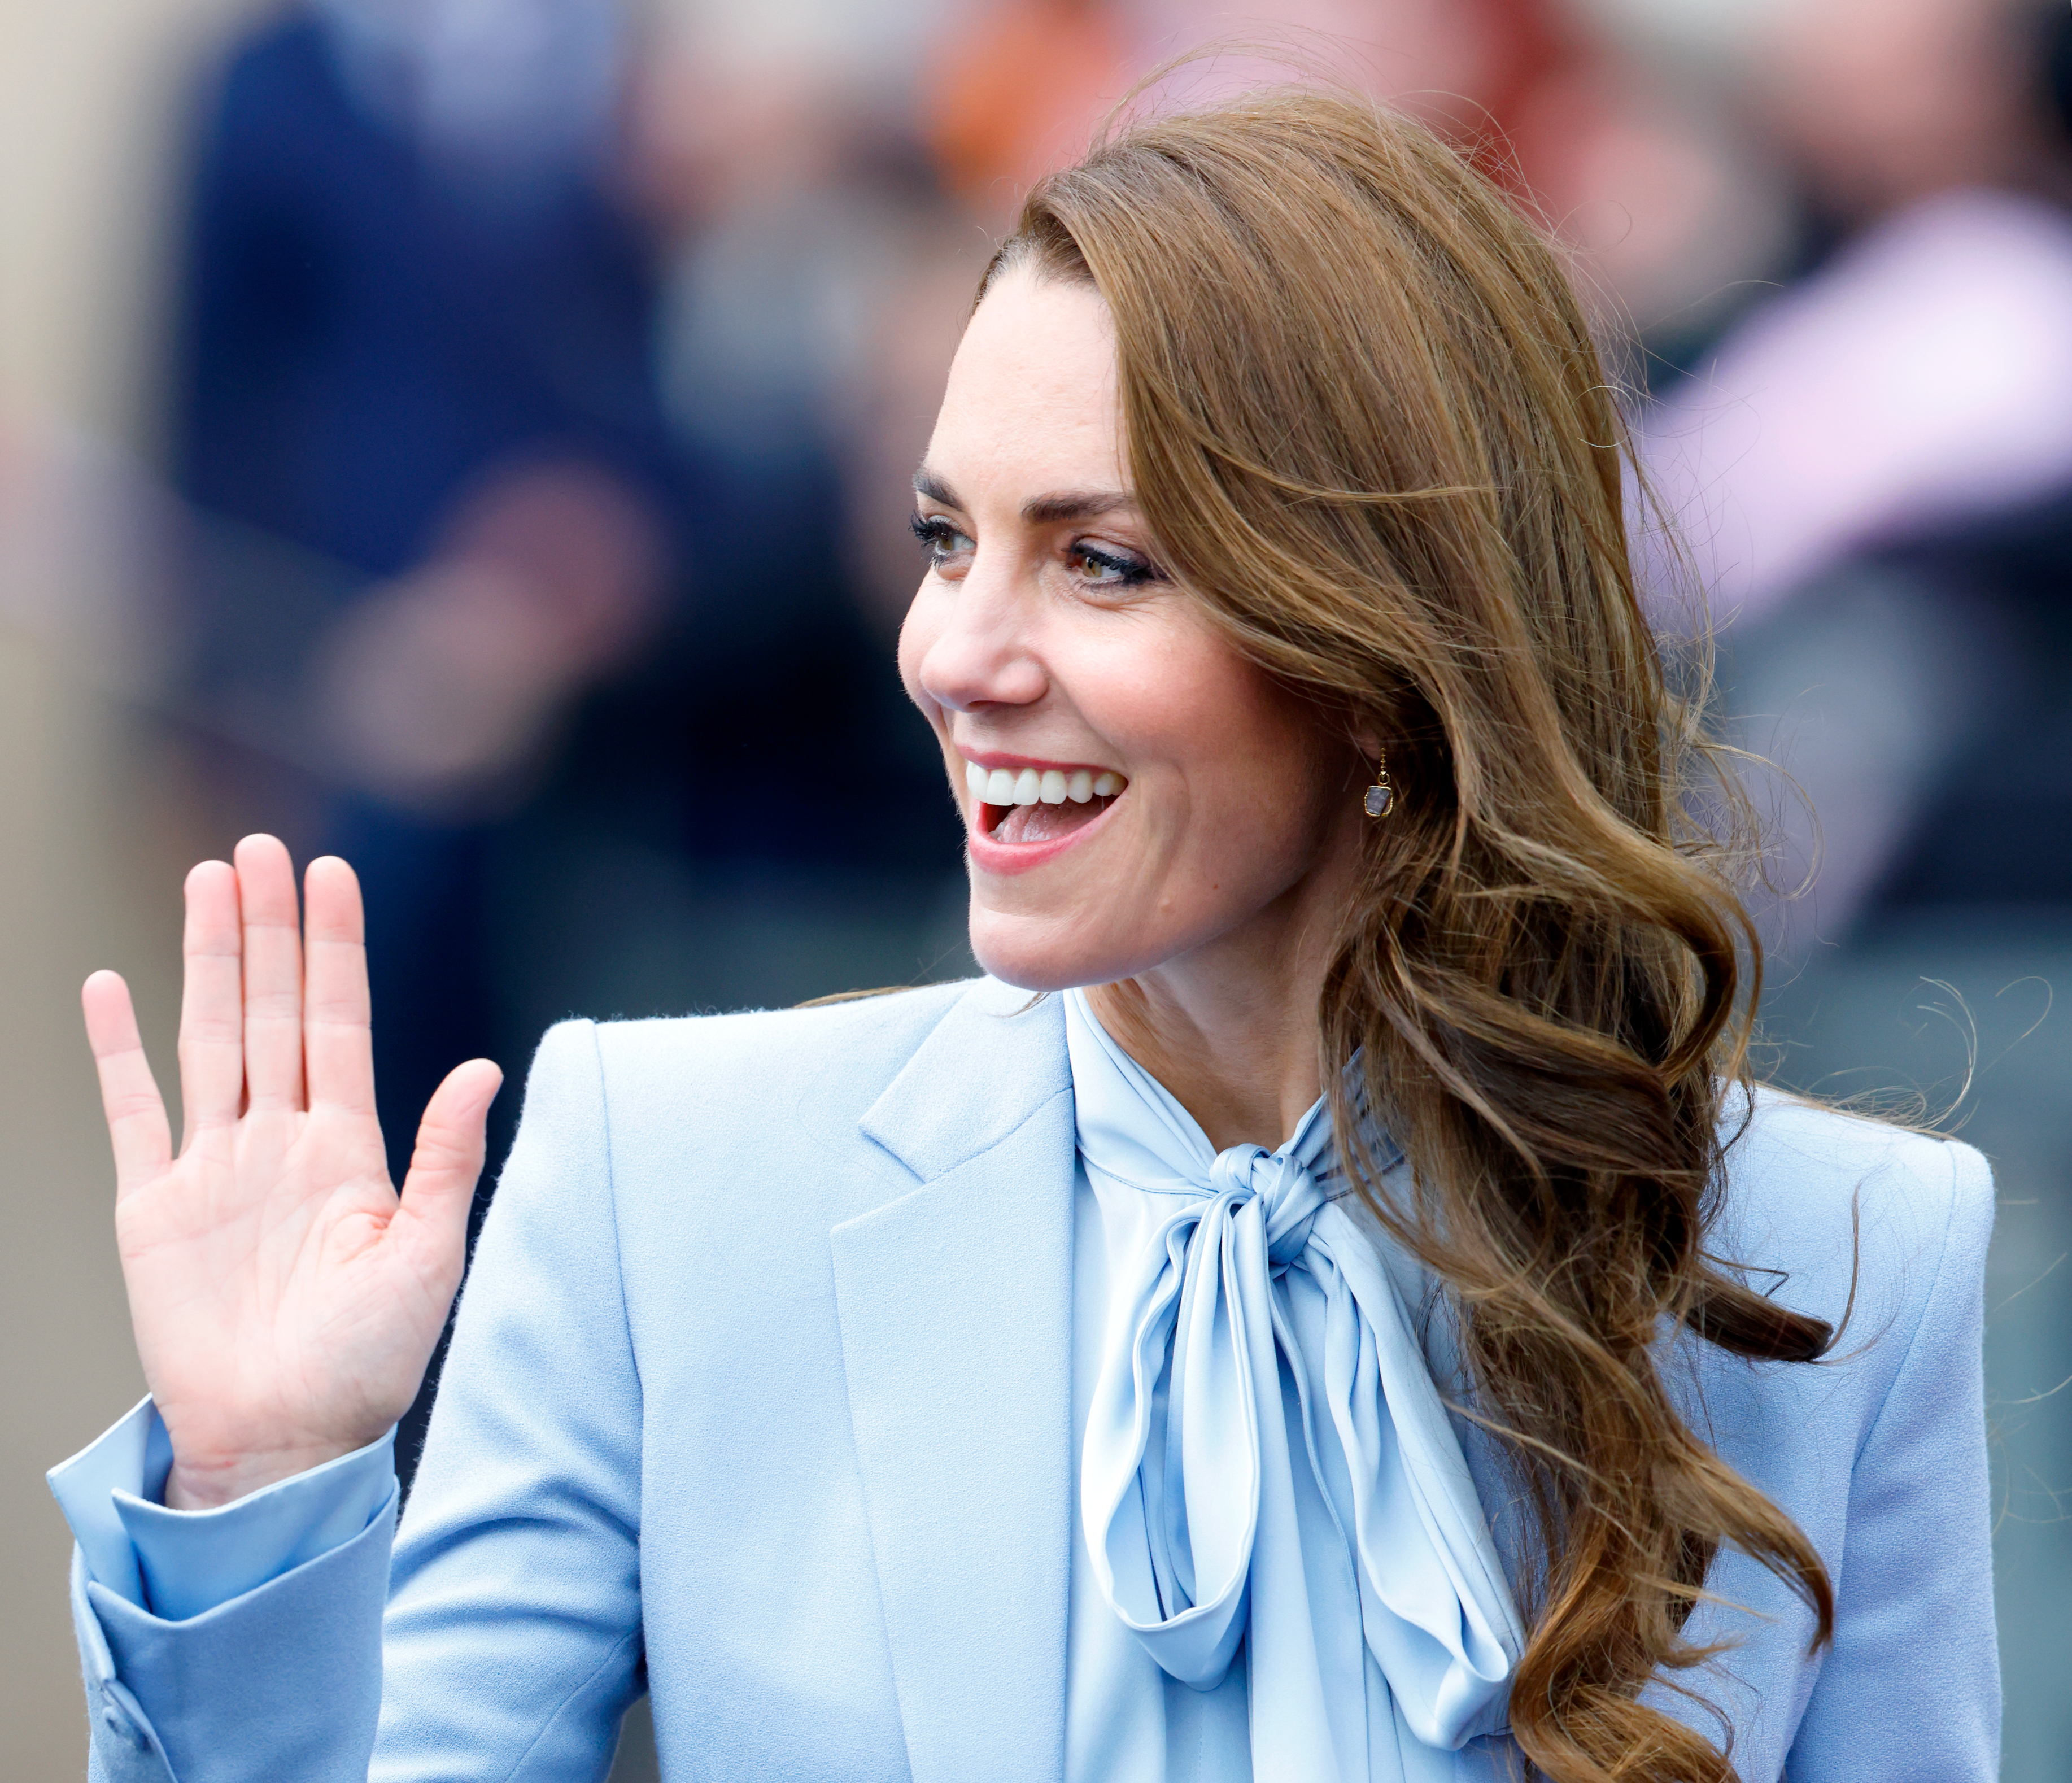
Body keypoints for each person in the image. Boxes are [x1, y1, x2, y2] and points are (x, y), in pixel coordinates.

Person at [51, 89, 1995, 1783]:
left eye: (1103, 561)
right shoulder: (668, 1181)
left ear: (1394, 652)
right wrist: (258, 1485)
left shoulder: (1848, 1270)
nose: (957, 656)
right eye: (941, 538)